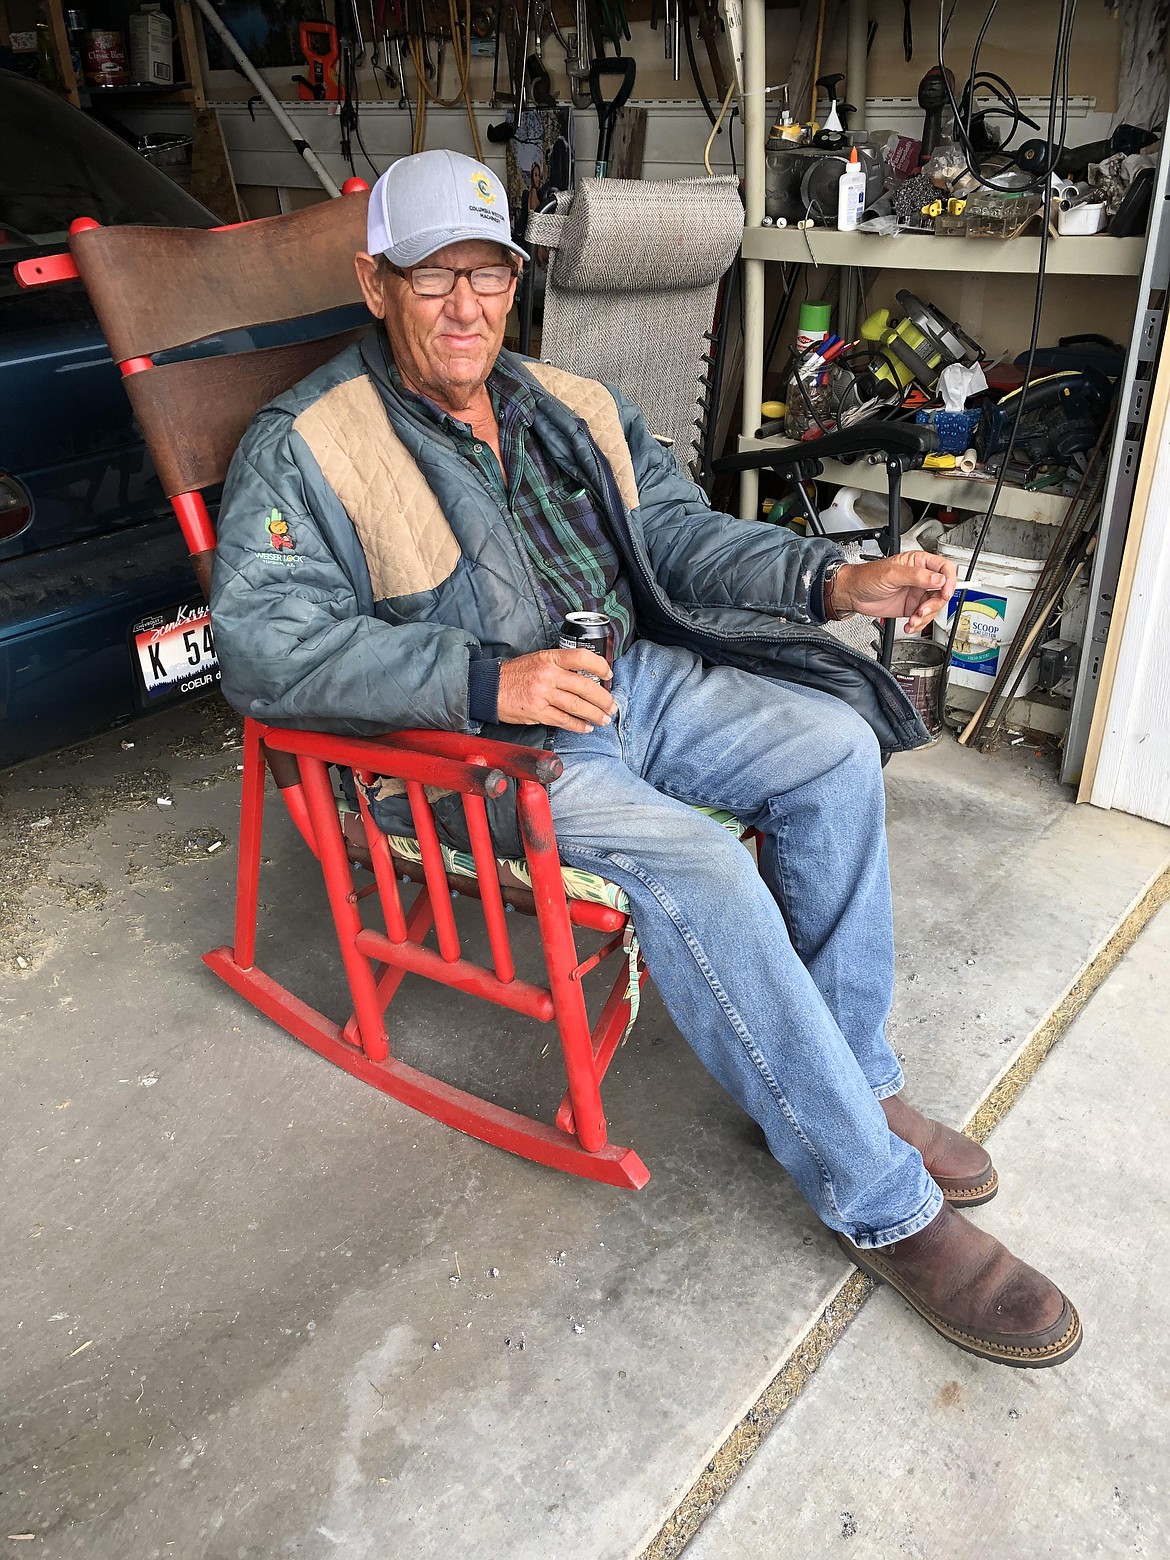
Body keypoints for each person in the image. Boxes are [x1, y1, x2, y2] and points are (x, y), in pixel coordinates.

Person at [211, 149, 1080, 1368]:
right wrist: (482, 680)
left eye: (489, 274)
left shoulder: (570, 401)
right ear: (375, 280)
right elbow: (260, 645)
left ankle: (847, 1073)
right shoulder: (310, 443)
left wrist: (833, 579)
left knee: (832, 746)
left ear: (517, 281)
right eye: (430, 278)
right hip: (488, 750)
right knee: (706, 874)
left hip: (637, 683)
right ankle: (882, 1203)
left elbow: (678, 538)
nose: (466, 307)